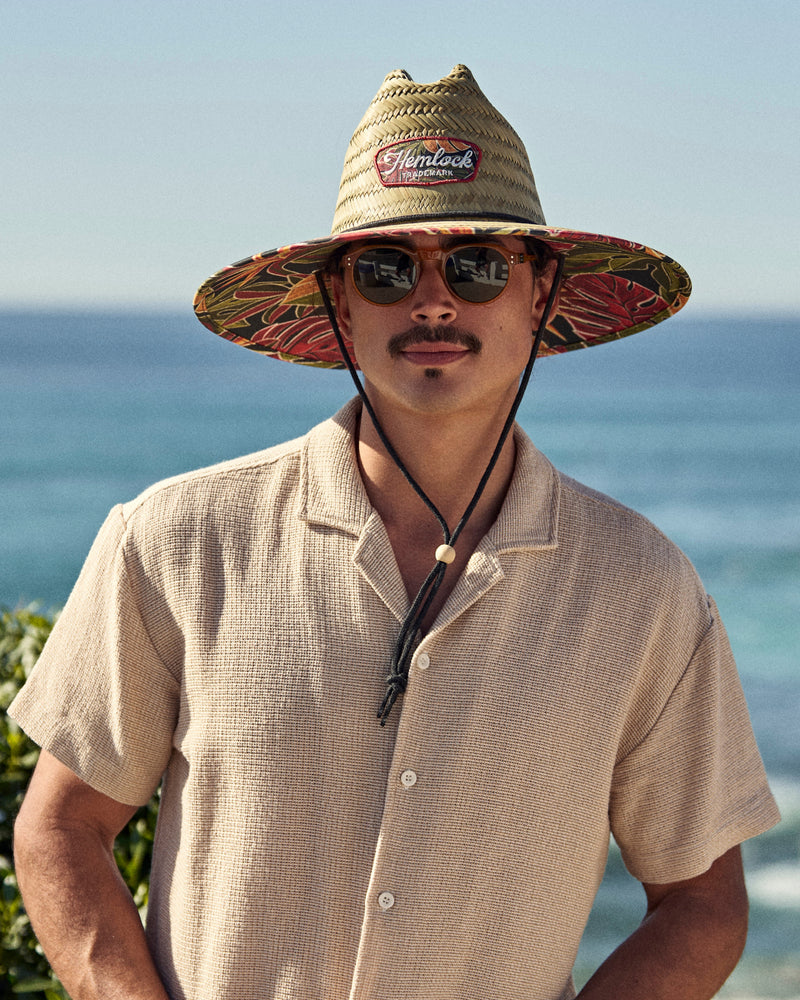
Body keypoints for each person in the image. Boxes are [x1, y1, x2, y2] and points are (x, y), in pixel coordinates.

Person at [10, 65, 780, 1000]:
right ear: (339, 303)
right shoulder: (174, 542)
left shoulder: (642, 589)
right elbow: (61, 827)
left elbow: (703, 902)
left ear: (539, 295)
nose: (433, 301)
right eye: (385, 269)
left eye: (477, 264)